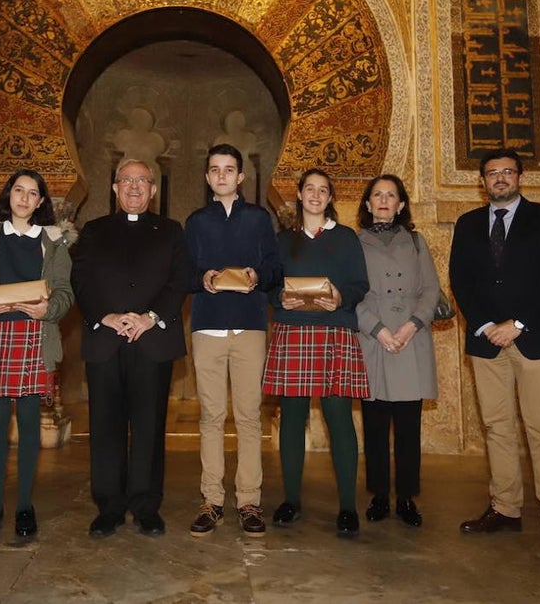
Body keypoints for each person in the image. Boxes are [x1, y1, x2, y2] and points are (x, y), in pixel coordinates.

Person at [448, 148, 540, 558]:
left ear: (520, 177)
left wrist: (517, 324)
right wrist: (487, 326)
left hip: (533, 335)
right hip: (487, 341)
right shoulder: (468, 224)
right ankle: (505, 507)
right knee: (497, 427)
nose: (499, 179)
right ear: (482, 182)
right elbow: (461, 281)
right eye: (492, 173)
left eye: (507, 172)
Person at [69, 157, 190, 539]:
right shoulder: (92, 230)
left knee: (149, 427)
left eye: (142, 181)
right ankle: (109, 507)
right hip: (105, 340)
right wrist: (104, 316)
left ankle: (145, 506)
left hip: (152, 340)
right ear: (115, 188)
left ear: (153, 190)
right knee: (105, 427)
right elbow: (80, 281)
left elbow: (179, 280)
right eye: (126, 180)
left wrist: (149, 317)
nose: (134, 187)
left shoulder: (171, 231)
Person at [0, 169, 75, 542]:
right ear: (9, 195)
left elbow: (65, 292)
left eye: (33, 193)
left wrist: (49, 309)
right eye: (18, 191)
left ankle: (24, 505)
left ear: (41, 202)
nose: (24, 198)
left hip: (34, 336)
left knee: (28, 423)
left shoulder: (54, 242)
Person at [263, 168, 370, 538]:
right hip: (293, 332)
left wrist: (341, 297)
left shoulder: (346, 238)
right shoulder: (282, 241)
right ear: (299, 193)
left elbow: (359, 284)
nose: (315, 195)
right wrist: (281, 299)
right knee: (292, 417)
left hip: (334, 331)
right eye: (310, 188)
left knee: (339, 417)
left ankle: (347, 508)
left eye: (323, 190)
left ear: (330, 198)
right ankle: (291, 500)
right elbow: (270, 285)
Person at [184, 144, 282, 538]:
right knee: (210, 417)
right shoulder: (195, 222)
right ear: (207, 177)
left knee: (247, 416)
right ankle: (211, 500)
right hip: (207, 326)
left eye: (229, 170)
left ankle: (249, 501)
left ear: (241, 177)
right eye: (215, 170)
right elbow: (185, 272)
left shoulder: (259, 219)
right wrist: (202, 279)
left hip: (249, 325)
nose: (222, 176)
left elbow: (275, 267)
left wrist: (257, 276)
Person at [355, 174, 439, 528]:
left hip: (411, 340)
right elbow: (349, 293)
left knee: (408, 427)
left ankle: (406, 497)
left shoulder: (417, 242)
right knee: (375, 426)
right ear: (368, 203)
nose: (384, 200)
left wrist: (410, 325)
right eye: (378, 195)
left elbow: (431, 290)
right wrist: (378, 329)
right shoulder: (353, 243)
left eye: (391, 195)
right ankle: (378, 496)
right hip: (373, 340)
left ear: (401, 204)